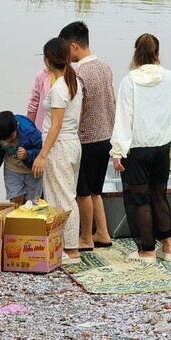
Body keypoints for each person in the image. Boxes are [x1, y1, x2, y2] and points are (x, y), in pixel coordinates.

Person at [110, 34, 171, 263]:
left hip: (137, 149)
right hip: (161, 145)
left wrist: (117, 151)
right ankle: (168, 247)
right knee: (159, 195)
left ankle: (147, 250)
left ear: (135, 53)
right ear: (157, 53)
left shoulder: (129, 81)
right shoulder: (169, 77)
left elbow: (123, 117)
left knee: (140, 200)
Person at [59, 21, 116, 251]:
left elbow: (77, 109)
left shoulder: (78, 72)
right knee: (95, 190)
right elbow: (111, 100)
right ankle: (103, 233)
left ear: (73, 46)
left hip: (86, 139)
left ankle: (85, 237)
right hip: (105, 138)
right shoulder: (104, 66)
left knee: (82, 192)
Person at [32, 37, 83, 264]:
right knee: (65, 195)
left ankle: (71, 250)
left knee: (62, 198)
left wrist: (42, 155)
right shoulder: (74, 82)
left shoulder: (60, 87)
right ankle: (65, 245)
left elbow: (56, 125)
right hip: (71, 143)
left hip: (60, 145)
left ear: (48, 60)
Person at [0, 111, 43, 205]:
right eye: (4, 138)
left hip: (32, 171)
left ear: (17, 126)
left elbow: (42, 150)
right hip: (12, 170)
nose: (8, 140)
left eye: (11, 136)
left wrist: (27, 154)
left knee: (32, 203)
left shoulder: (29, 132)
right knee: (15, 200)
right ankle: (16, 219)